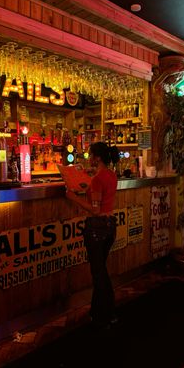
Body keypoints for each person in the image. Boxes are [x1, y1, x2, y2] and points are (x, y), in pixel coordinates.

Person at [66, 141, 119, 330]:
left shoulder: (97, 179)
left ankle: (107, 315)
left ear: (97, 157)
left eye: (90, 155)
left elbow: (95, 210)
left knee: (99, 275)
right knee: (101, 272)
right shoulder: (111, 175)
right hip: (110, 226)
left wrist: (74, 198)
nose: (88, 157)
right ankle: (98, 313)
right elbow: (103, 198)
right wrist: (88, 173)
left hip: (96, 228)